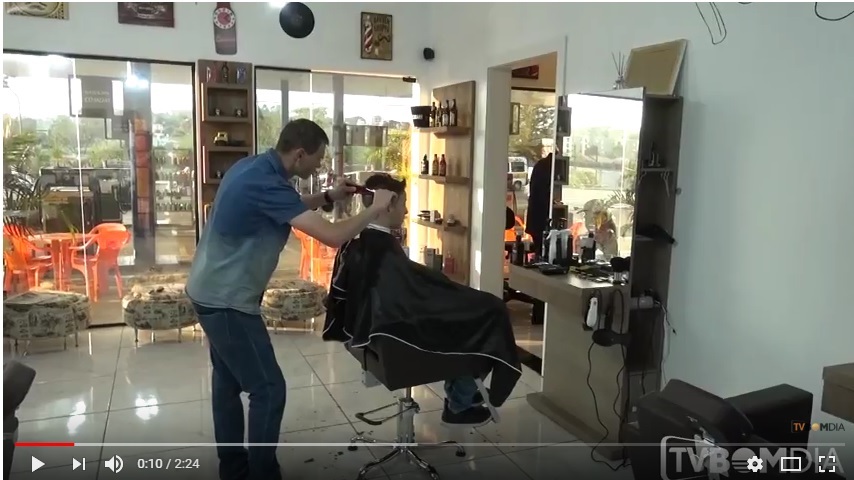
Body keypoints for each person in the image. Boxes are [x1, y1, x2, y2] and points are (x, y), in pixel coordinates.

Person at [185, 119, 396, 480]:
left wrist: (329, 197)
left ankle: (234, 470)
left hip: (207, 290)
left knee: (227, 384)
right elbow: (332, 236)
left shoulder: (252, 168)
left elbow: (289, 205)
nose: (319, 165)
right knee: (269, 390)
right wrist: (374, 209)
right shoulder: (266, 182)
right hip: (227, 301)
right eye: (317, 158)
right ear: (299, 154)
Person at [323, 173, 520, 427]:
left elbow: (400, 292)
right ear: (389, 205)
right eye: (404, 203)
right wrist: (445, 292)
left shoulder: (359, 242)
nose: (406, 211)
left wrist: (436, 285)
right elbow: (406, 298)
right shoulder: (380, 251)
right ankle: (460, 403)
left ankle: (461, 397)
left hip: (379, 336)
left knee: (473, 313)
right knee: (490, 315)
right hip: (398, 342)